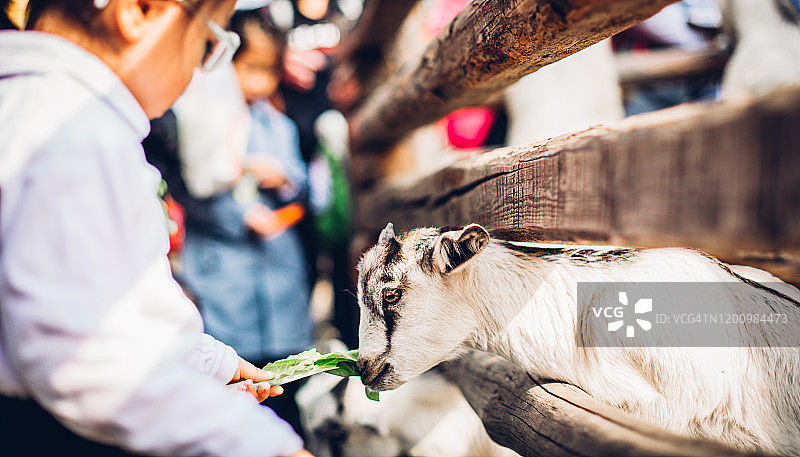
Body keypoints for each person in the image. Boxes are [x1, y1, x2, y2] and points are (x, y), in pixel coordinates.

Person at [0, 0, 311, 455]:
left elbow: (115, 300)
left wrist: (208, 363)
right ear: (139, 11)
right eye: (208, 43)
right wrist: (264, 445)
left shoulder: (66, 117)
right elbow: (85, 359)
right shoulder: (69, 130)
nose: (201, 71)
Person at [172, 6, 314, 435]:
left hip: (279, 280)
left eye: (269, 71)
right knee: (233, 388)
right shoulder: (202, 121)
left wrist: (284, 179)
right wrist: (240, 215)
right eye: (250, 69)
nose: (260, 82)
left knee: (286, 390)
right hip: (226, 277)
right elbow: (192, 190)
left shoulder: (280, 125)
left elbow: (303, 187)